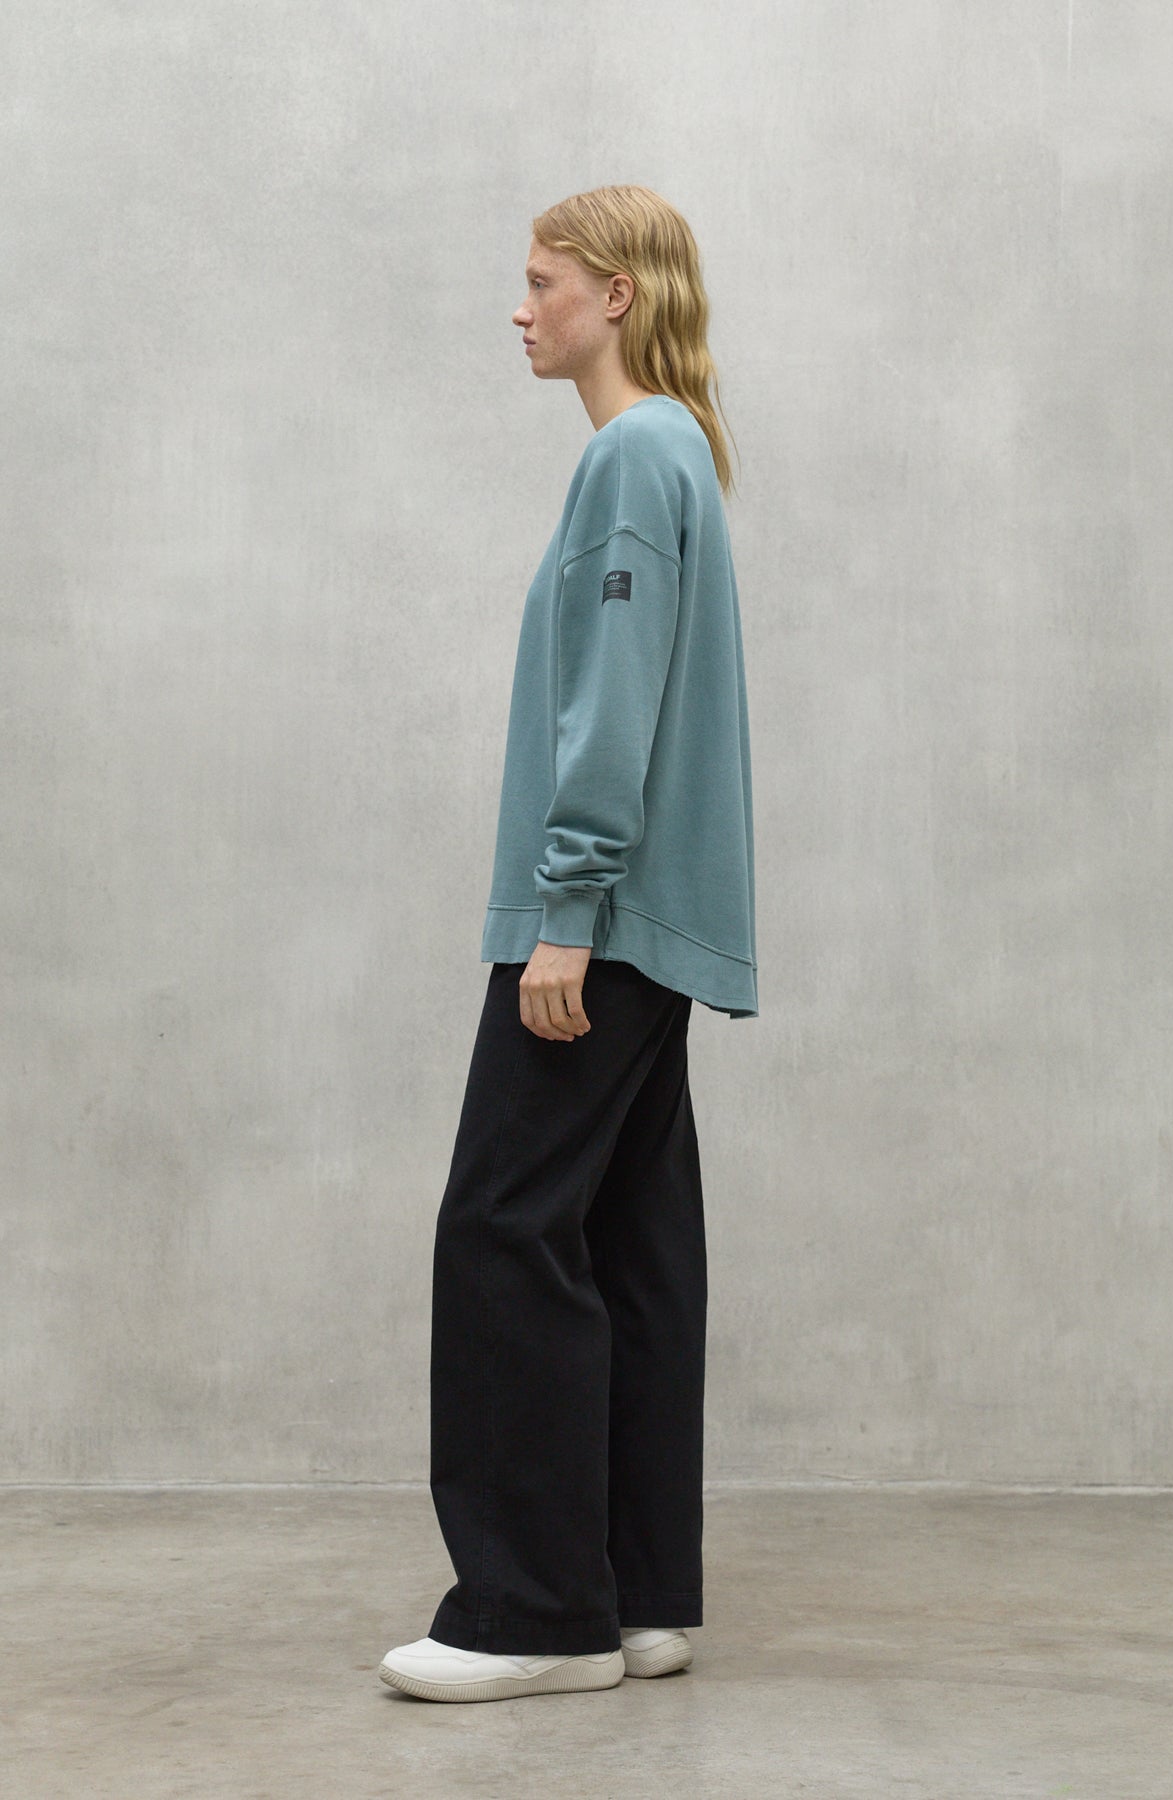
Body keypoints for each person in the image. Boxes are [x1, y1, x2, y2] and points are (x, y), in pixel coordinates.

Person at [379, 184, 758, 1704]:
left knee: (503, 1232)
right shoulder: (676, 452)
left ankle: (535, 1613)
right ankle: (639, 1594)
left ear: (616, 295)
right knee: (628, 1242)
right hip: (652, 926)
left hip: (599, 926)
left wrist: (565, 912)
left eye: (544, 281)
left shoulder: (632, 454)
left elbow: (612, 707)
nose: (521, 307)